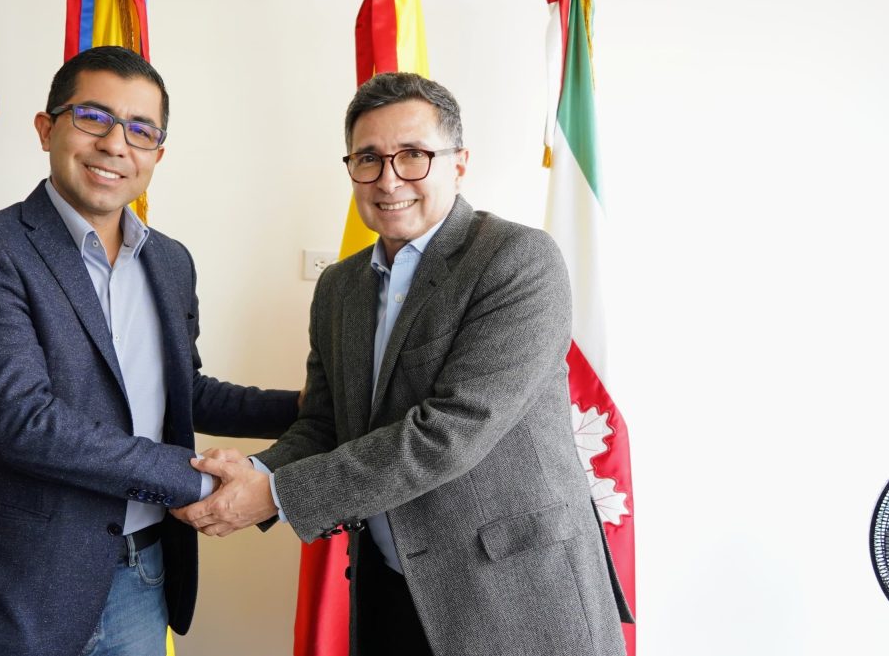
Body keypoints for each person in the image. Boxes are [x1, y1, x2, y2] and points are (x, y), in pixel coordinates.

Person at [174, 72, 633, 656]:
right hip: (389, 590)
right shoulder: (339, 288)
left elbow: (449, 433)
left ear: (459, 163)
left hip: (514, 595)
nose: (389, 179)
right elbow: (324, 425)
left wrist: (274, 494)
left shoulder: (518, 259)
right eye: (368, 158)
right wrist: (254, 474)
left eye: (413, 155)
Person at [0, 46, 299, 656]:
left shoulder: (170, 261)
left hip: (143, 575)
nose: (116, 144)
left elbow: (182, 392)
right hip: (16, 582)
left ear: (157, 155)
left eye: (141, 130)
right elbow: (25, 423)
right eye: (93, 117)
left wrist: (313, 407)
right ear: (47, 129)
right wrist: (202, 485)